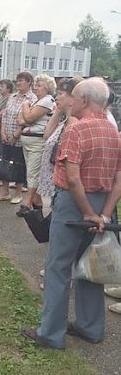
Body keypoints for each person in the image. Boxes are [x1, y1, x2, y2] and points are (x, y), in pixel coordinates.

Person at [22, 77, 121, 349]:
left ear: (86, 101)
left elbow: (73, 178)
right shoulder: (114, 131)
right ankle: (91, 327)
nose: (70, 101)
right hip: (103, 204)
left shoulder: (76, 130)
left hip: (73, 205)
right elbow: (118, 178)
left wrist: (87, 212)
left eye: (75, 97)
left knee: (58, 268)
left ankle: (50, 334)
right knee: (91, 266)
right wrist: (104, 214)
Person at [17, 74, 56, 213]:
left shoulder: (46, 101)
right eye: (36, 84)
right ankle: (37, 201)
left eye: (39, 85)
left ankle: (26, 203)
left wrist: (25, 105)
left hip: (37, 142)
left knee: (33, 172)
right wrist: (25, 117)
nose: (35, 87)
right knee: (31, 171)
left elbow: (27, 117)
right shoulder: (37, 101)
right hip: (28, 141)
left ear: (47, 88)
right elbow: (20, 119)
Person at [0, 72, 36, 203]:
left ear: (29, 82)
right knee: (4, 162)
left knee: (19, 164)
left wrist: (15, 135)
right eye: (17, 81)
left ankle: (18, 194)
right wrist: (3, 131)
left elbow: (27, 119)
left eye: (22, 80)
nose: (19, 83)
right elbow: (5, 115)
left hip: (19, 137)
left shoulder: (32, 98)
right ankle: (4, 192)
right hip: (7, 135)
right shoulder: (12, 97)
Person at [37, 78, 80, 202]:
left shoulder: (73, 123)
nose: (56, 97)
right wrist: (58, 112)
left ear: (73, 98)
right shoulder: (64, 120)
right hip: (54, 180)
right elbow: (47, 135)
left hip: (62, 183)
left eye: (61, 94)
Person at [0, 79, 13, 159]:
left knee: (2, 156)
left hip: (2, 131)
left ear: (8, 88)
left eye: (2, 86)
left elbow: (3, 114)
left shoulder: (9, 99)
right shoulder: (1, 98)